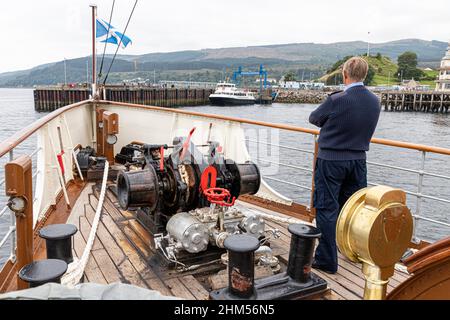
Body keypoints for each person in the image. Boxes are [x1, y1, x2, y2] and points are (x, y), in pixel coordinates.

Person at [309, 56, 381, 274]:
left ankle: (327, 261)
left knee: (327, 208)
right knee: (353, 210)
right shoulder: (374, 101)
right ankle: (353, 251)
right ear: (365, 75)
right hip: (358, 161)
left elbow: (314, 118)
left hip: (331, 161)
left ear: (345, 74)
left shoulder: (337, 99)